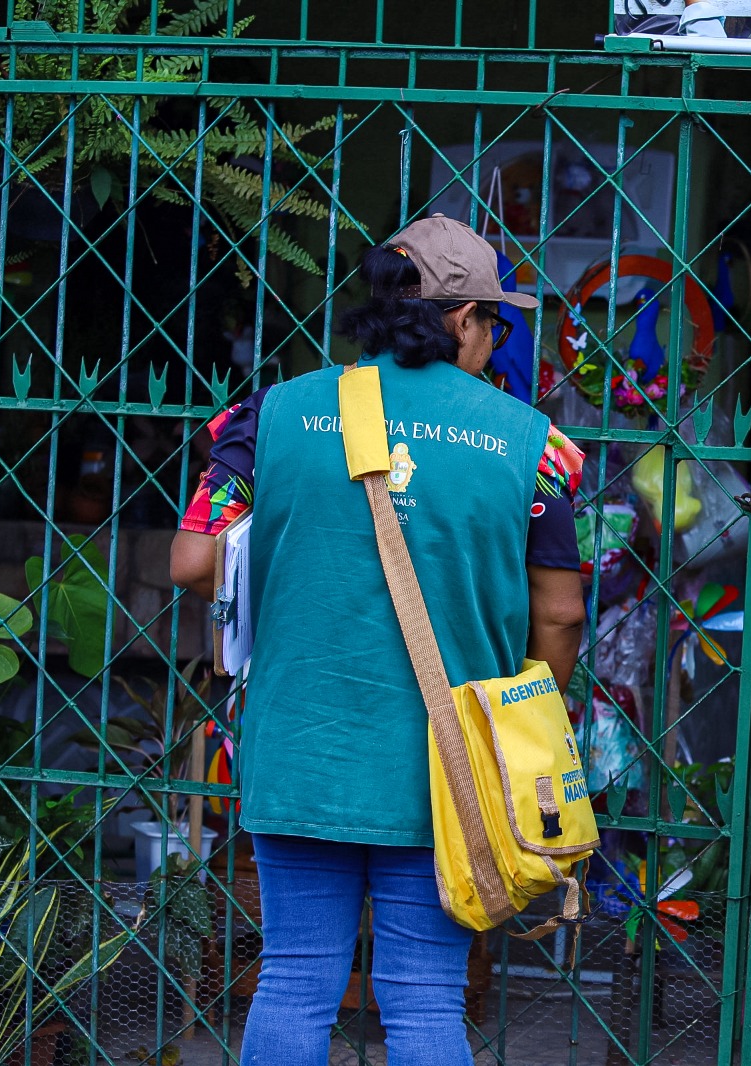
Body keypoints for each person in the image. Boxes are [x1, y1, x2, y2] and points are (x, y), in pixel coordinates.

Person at [170, 214, 588, 1066]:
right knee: (427, 996)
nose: (495, 345)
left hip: (302, 746)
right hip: (448, 761)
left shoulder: (272, 413)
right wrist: (532, 709)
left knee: (293, 979)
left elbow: (192, 560)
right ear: (464, 318)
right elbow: (561, 614)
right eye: (496, 325)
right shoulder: (533, 446)